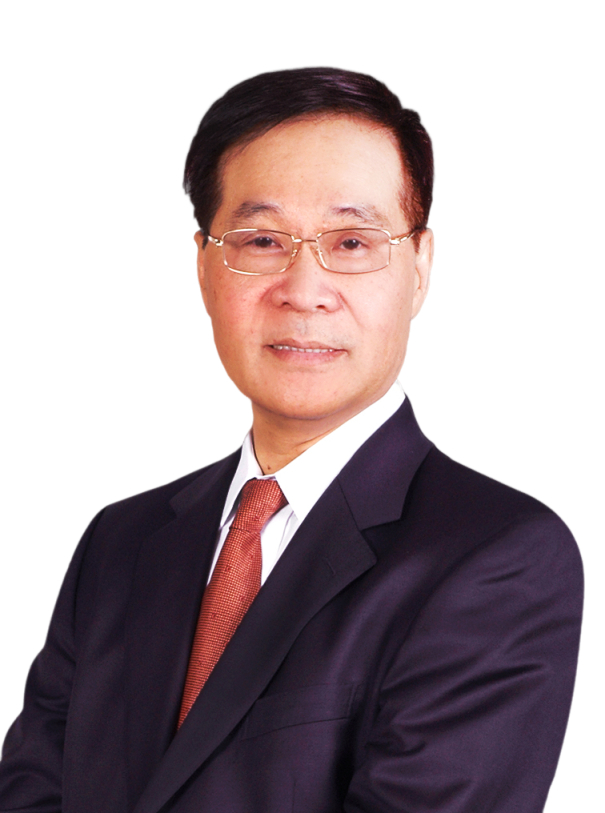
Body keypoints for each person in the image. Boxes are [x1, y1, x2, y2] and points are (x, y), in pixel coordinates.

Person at [0, 67, 582, 813]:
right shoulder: (121, 543)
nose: (303, 290)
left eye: (351, 241)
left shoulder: (497, 557)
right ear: (205, 267)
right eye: (262, 240)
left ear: (419, 268)